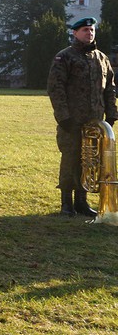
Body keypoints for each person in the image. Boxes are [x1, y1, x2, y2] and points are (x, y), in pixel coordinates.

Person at [47, 17, 117, 217]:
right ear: (75, 33)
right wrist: (63, 117)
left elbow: (110, 89)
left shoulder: (102, 59)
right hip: (71, 121)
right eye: (85, 30)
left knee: (91, 161)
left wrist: (111, 114)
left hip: (95, 122)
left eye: (92, 30)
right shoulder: (65, 57)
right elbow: (55, 88)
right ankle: (66, 203)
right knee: (70, 158)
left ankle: (82, 201)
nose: (90, 33)